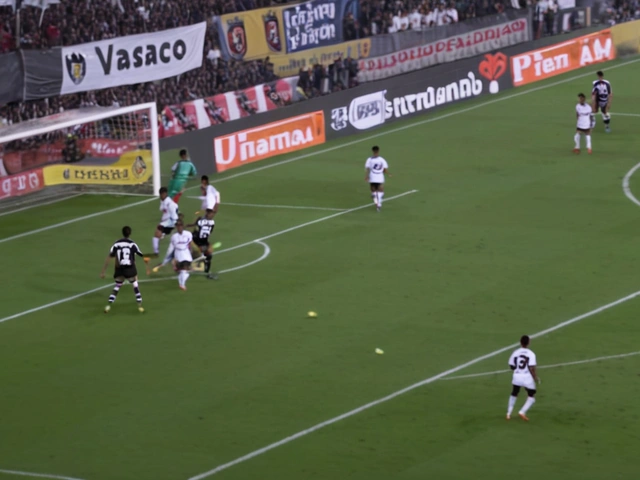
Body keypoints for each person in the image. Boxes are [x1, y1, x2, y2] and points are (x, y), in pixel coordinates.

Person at [100, 226, 149, 313]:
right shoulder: (132, 244)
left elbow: (109, 256)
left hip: (119, 270)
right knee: (135, 285)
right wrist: (147, 267)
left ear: (122, 233)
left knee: (117, 286)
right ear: (130, 233)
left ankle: (108, 306)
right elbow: (142, 255)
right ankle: (139, 305)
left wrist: (103, 271)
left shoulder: (116, 244)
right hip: (129, 269)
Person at [507, 335, 540, 421]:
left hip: (517, 376)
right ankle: (522, 412)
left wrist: (517, 369)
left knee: (514, 393)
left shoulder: (515, 352)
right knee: (531, 395)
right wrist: (535, 378)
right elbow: (532, 368)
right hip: (527, 377)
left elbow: (511, 366)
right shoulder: (531, 354)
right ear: (528, 343)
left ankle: (508, 413)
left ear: (520, 342)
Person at [188, 209, 219, 280]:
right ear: (207, 213)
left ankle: (207, 273)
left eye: (213, 213)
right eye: (211, 213)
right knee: (194, 256)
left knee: (209, 256)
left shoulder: (212, 222)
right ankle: (184, 267)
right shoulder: (201, 221)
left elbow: (209, 233)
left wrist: (207, 242)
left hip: (204, 241)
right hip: (197, 240)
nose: (212, 215)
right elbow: (196, 230)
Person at [153, 187, 180, 255]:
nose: (161, 196)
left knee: (157, 233)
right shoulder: (163, 200)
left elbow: (174, 211)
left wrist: (174, 222)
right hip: (168, 221)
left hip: (171, 221)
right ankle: (156, 251)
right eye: (160, 194)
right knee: (158, 233)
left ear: (165, 194)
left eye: (162, 194)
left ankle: (156, 251)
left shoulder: (169, 203)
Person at [170, 220, 196, 291]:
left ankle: (182, 284)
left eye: (180, 225)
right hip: (178, 253)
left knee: (184, 268)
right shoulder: (174, 237)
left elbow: (191, 244)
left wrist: (193, 252)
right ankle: (182, 283)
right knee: (183, 270)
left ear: (183, 226)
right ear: (176, 227)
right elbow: (173, 247)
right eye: (178, 226)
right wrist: (173, 259)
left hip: (186, 252)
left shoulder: (188, 234)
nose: (179, 227)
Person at [364, 146, 391, 211]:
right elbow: (384, 169)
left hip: (372, 176)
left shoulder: (369, 159)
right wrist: (389, 173)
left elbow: (367, 168)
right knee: (381, 191)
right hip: (379, 177)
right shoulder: (382, 159)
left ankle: (377, 203)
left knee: (373, 191)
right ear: (378, 151)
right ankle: (379, 204)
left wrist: (366, 176)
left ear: (372, 151)